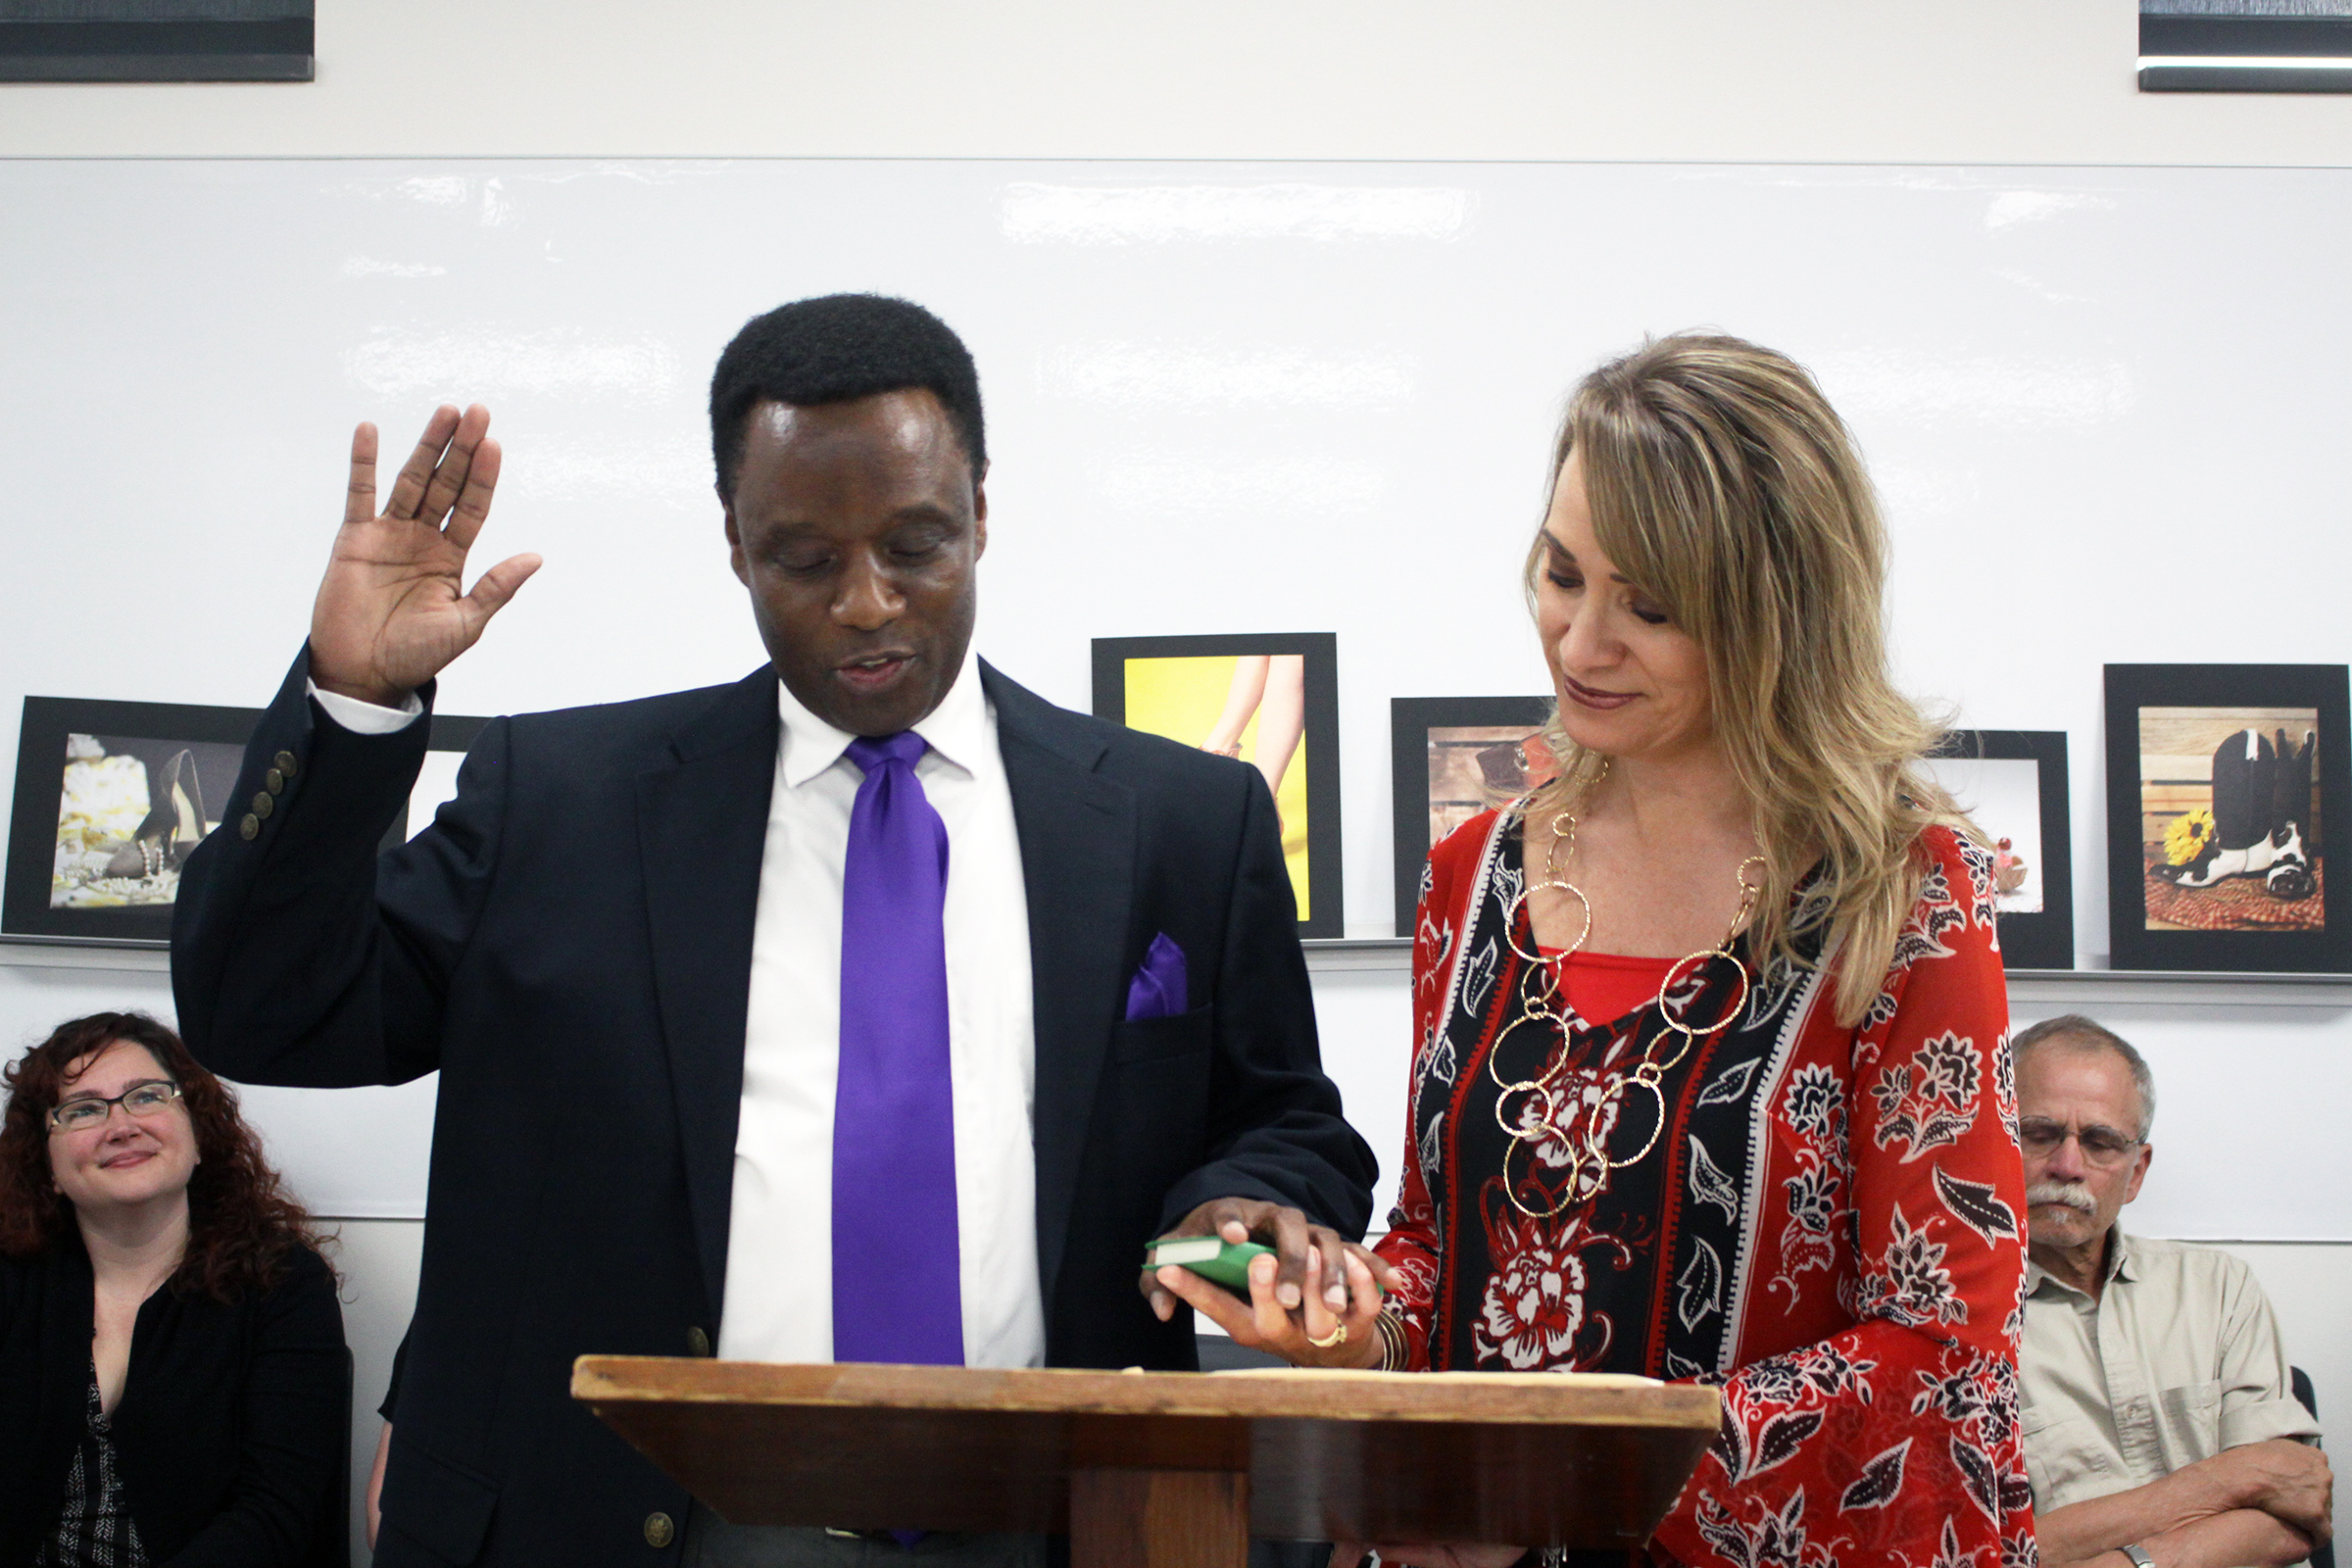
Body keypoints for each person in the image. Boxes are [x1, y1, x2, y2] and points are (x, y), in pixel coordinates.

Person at [171, 293, 1378, 1568]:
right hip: (645, 1520)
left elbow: (1281, 1118)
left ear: (982, 514)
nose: (868, 603)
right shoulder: (562, 805)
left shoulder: (1181, 822)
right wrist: (354, 702)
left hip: (1064, 1520)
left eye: (916, 544)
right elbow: (270, 1009)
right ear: (737, 545)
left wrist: (1246, 1202)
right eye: (806, 558)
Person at [1159, 333, 2033, 1568]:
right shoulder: (1476, 875)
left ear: (1776, 613)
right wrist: (1352, 1328)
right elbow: (1437, 1250)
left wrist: (1551, 1486)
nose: (1578, 642)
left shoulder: (1902, 891)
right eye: (1563, 574)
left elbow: (1944, 1350)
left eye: (1652, 607)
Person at [0, 1011, 348, 1567]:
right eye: (84, 1109)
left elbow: (276, 1513)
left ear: (198, 1134)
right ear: (47, 1167)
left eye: (146, 1096)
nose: (121, 1125)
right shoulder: (14, 1277)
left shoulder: (282, 1282)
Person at [2013, 1015, 2330, 1568]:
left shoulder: (2220, 1289)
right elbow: (1987, 1553)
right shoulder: (1952, 1325)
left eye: (2100, 1142)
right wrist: (2224, 1481)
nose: (2067, 1166)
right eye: (2038, 1134)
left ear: (2136, 1173)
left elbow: (2296, 1511)